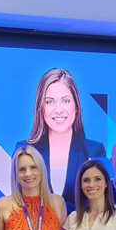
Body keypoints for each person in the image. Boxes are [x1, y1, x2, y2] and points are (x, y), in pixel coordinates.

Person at [25, 68, 106, 209]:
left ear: (76, 106)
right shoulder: (25, 150)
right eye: (50, 102)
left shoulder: (95, 150)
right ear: (40, 108)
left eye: (65, 101)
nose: (58, 110)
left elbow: (101, 203)